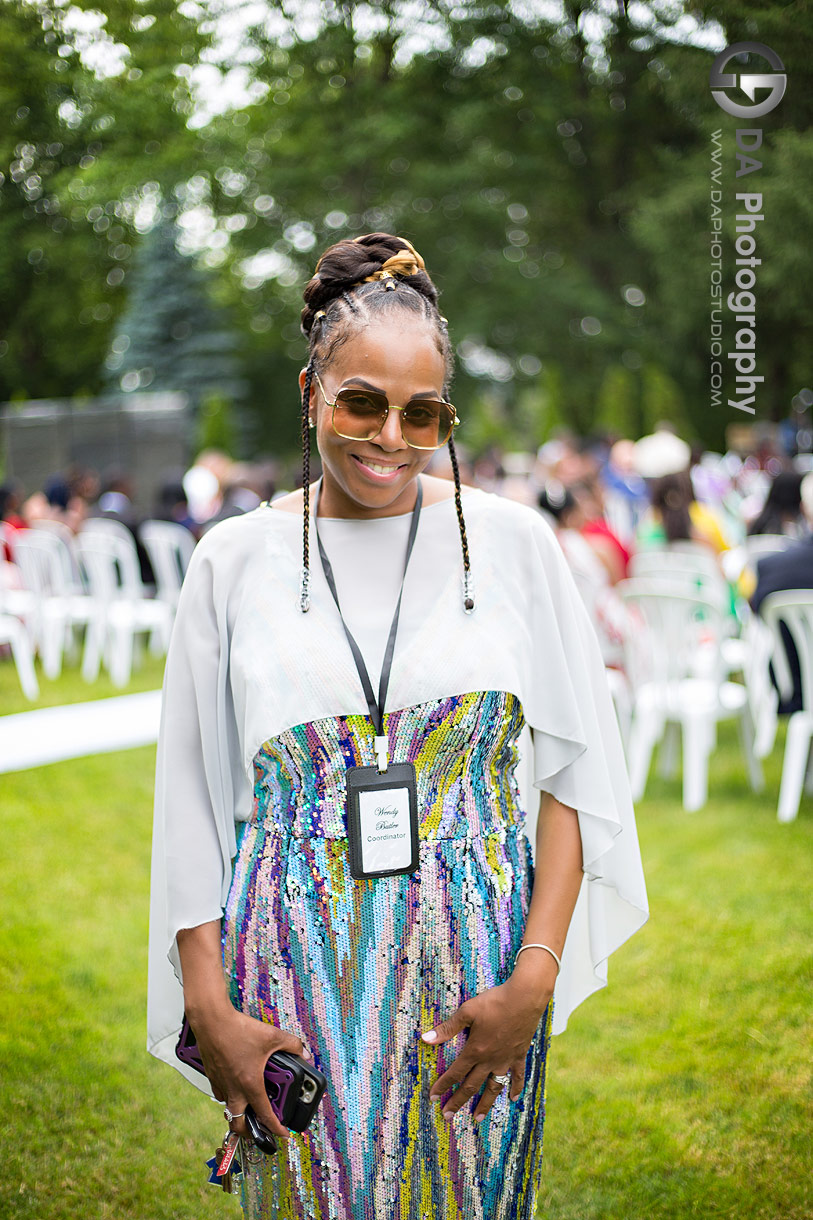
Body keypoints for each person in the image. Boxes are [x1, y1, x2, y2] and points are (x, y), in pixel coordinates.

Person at [148, 233, 648, 1220]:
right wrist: (210, 1004)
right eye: (362, 401)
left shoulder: (512, 545)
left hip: (481, 971)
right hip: (288, 968)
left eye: (425, 412)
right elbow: (191, 799)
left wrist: (534, 977)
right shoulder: (235, 560)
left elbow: (573, 777)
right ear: (310, 391)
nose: (391, 436)